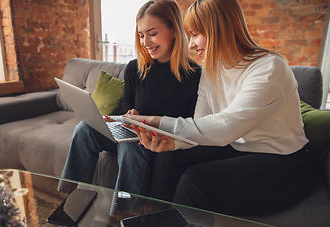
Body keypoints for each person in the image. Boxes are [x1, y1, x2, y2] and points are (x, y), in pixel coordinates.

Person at [126, 0, 315, 216]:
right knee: (168, 160)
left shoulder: (269, 68)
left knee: (195, 181)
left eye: (196, 34)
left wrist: (159, 122)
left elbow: (225, 127)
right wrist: (172, 143)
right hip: (236, 149)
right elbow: (201, 123)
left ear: (220, 29)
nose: (190, 45)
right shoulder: (210, 69)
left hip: (284, 162)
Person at [58, 0, 201, 197]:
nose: (145, 42)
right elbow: (128, 103)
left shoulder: (194, 75)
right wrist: (129, 113)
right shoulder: (135, 68)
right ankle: (69, 198)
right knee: (84, 128)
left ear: (174, 30)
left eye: (152, 33)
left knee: (130, 149)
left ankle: (124, 215)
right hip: (134, 133)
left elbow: (193, 124)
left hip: (162, 142)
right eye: (141, 35)